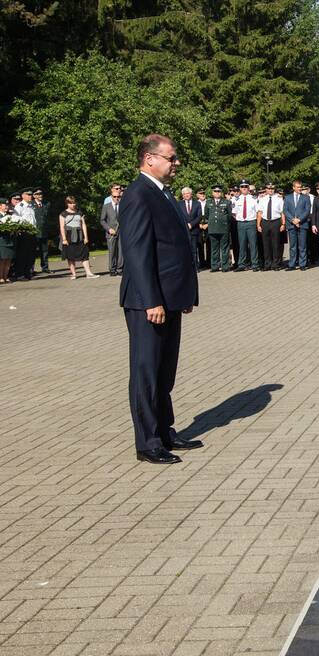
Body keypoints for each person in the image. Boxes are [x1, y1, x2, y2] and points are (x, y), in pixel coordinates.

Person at [120, 134, 200, 464]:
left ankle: (165, 429)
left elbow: (175, 247)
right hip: (147, 302)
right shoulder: (138, 194)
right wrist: (152, 299)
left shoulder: (163, 194)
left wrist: (184, 295)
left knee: (165, 371)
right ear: (149, 159)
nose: (176, 163)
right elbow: (137, 254)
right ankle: (148, 441)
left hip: (169, 298)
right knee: (147, 372)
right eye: (171, 158)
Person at [59, 196, 98, 279]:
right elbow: (62, 227)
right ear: (67, 204)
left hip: (79, 235)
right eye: (71, 203)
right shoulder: (63, 214)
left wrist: (86, 237)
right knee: (70, 256)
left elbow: (83, 225)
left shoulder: (80, 213)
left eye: (74, 202)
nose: (73, 204)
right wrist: (64, 239)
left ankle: (89, 273)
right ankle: (73, 274)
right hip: (69, 235)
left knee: (84, 254)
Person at [283, 180, 311, 270]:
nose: (300, 189)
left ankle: (302, 264)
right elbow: (285, 210)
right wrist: (292, 220)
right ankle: (292, 264)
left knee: (302, 246)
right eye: (298, 187)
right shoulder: (287, 198)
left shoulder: (306, 198)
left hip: (302, 224)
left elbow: (307, 210)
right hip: (291, 225)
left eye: (300, 187)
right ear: (293, 187)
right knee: (293, 246)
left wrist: (299, 220)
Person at [257, 182, 284, 270]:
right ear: (266, 189)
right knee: (266, 244)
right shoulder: (262, 199)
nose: (270, 190)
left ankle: (275, 264)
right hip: (265, 222)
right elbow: (260, 213)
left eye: (272, 189)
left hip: (276, 222)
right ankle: (267, 264)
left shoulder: (279, 199)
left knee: (275, 244)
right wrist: (258, 225)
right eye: (268, 188)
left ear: (274, 189)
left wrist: (283, 224)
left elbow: (282, 212)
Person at [232, 181, 259, 271]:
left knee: (253, 244)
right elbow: (234, 213)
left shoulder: (254, 199)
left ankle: (255, 264)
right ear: (240, 188)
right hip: (241, 223)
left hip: (251, 222)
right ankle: (241, 264)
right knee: (242, 244)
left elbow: (257, 211)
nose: (244, 188)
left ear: (248, 188)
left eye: (246, 187)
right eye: (242, 187)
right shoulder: (236, 199)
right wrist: (240, 219)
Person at [205, 185, 232, 272]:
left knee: (224, 248)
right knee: (214, 248)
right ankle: (215, 266)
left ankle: (225, 266)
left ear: (221, 193)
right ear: (212, 193)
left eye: (219, 191)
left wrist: (225, 224)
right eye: (215, 191)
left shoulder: (227, 202)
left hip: (223, 228)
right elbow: (206, 215)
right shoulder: (208, 202)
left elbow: (229, 216)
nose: (217, 193)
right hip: (213, 228)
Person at [12, 189, 36, 280]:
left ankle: (27, 273)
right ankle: (20, 274)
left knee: (30, 254)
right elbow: (15, 218)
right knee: (22, 254)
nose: (31, 196)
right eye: (28, 194)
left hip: (32, 232)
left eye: (31, 194)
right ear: (23, 196)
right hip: (24, 233)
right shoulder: (20, 206)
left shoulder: (31, 206)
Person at [100, 183, 124, 276]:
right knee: (112, 251)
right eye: (114, 197)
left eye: (118, 197)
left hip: (121, 232)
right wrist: (109, 229)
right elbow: (102, 220)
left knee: (121, 252)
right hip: (111, 233)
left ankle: (120, 269)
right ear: (111, 196)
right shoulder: (107, 206)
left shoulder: (123, 205)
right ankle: (112, 269)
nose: (116, 198)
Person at [179, 186, 201, 267]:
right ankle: (187, 267)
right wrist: (185, 225)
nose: (186, 195)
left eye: (187, 193)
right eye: (184, 194)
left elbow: (199, 217)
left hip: (194, 230)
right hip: (184, 230)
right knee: (185, 250)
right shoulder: (179, 204)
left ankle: (195, 266)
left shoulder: (197, 203)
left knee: (194, 250)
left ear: (191, 194)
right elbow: (179, 216)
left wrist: (191, 224)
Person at [32, 188, 50, 273]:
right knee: (33, 251)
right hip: (34, 231)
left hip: (44, 231)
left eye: (41, 194)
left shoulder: (46, 204)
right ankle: (31, 269)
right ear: (34, 195)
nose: (40, 195)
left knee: (45, 251)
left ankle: (45, 267)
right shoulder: (31, 205)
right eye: (38, 194)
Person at [0, 201, 18, 283]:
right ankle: (1, 277)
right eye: (5, 205)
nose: (7, 207)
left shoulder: (10, 216)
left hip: (10, 241)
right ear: (0, 206)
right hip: (2, 241)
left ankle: (6, 276)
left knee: (8, 260)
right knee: (2, 259)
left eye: (7, 205)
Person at [195, 188, 210, 269]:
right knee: (200, 245)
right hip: (199, 225)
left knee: (209, 244)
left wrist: (207, 224)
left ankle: (209, 262)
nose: (202, 195)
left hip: (208, 225)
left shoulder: (209, 202)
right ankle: (201, 263)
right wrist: (199, 224)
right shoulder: (195, 203)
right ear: (197, 195)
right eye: (200, 193)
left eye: (203, 193)